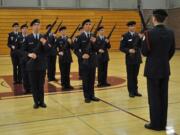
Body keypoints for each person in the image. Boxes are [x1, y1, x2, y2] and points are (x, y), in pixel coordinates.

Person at [141, 9, 175, 131]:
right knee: (163, 97)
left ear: (154, 18)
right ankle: (163, 123)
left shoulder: (149, 33)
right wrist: (163, 61)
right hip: (165, 69)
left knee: (154, 98)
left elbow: (144, 52)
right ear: (164, 19)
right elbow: (171, 51)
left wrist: (142, 40)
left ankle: (155, 124)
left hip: (152, 70)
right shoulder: (170, 32)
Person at [25, 19, 51, 109]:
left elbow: (49, 50)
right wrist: (29, 54)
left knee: (41, 84)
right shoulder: (28, 38)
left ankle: (42, 101)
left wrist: (45, 43)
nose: (37, 26)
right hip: (31, 66)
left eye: (38, 25)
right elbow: (22, 51)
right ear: (32, 26)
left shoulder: (43, 37)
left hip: (42, 65)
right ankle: (36, 102)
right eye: (35, 25)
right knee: (34, 85)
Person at [75, 19, 100, 103]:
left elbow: (97, 49)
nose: (88, 26)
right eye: (87, 24)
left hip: (92, 60)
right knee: (85, 80)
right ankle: (86, 96)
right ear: (83, 26)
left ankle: (92, 95)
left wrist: (95, 42)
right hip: (84, 61)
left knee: (92, 79)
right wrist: (81, 56)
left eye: (90, 24)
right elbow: (75, 50)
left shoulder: (93, 36)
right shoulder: (80, 37)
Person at [120, 21, 142, 98]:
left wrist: (142, 38)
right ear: (128, 27)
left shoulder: (138, 35)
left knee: (135, 75)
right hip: (129, 59)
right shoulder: (125, 36)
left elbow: (142, 46)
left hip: (137, 58)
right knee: (130, 76)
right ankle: (131, 91)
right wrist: (128, 50)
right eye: (131, 26)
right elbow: (121, 48)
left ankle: (135, 90)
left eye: (133, 26)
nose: (132, 27)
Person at [56, 26, 74, 90]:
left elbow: (73, 47)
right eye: (62, 31)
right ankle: (63, 84)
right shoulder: (58, 39)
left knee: (67, 72)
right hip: (62, 58)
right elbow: (55, 49)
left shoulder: (68, 38)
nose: (64, 32)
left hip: (68, 57)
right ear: (60, 32)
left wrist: (71, 42)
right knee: (63, 72)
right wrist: (58, 53)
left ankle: (68, 84)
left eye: (64, 30)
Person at [17, 23, 31, 93]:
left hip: (29, 60)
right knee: (24, 74)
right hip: (22, 59)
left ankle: (31, 88)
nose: (25, 30)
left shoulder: (29, 38)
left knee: (30, 74)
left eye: (26, 28)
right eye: (23, 29)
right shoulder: (19, 38)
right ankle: (26, 88)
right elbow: (17, 49)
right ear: (21, 30)